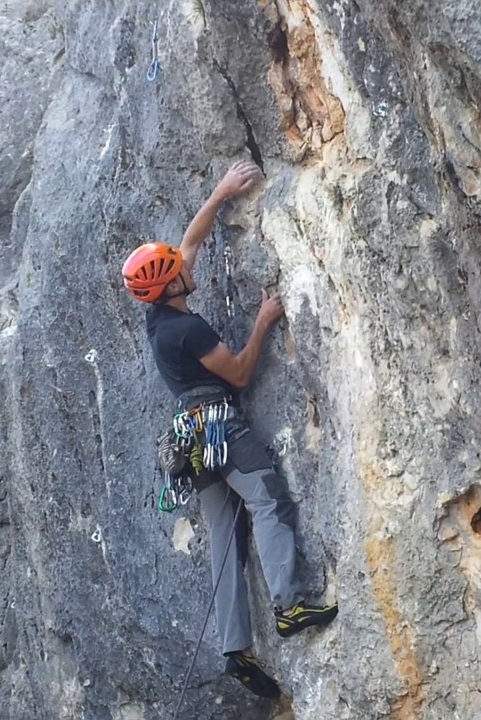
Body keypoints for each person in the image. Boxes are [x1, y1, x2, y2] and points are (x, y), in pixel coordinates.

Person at [122, 160, 338, 698]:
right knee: (267, 500)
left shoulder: (159, 316)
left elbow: (189, 243)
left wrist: (219, 193)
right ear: (171, 285)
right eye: (177, 268)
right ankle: (289, 606)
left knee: (224, 534)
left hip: (189, 439)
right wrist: (263, 322)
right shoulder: (187, 330)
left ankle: (236, 650)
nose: (185, 264)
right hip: (219, 426)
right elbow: (239, 373)